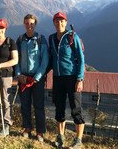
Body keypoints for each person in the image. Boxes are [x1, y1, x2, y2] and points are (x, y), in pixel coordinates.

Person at [49, 12, 85, 149]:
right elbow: (51, 59)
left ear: (66, 22)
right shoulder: (51, 38)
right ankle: (60, 137)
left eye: (62, 21)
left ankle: (78, 140)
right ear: (54, 23)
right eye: (57, 21)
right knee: (59, 108)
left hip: (72, 78)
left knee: (76, 109)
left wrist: (80, 78)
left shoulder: (72, 36)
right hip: (57, 78)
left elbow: (81, 59)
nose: (59, 23)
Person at [14, 14, 49, 142]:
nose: (29, 26)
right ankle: (27, 128)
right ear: (24, 24)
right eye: (27, 23)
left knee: (39, 105)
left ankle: (40, 131)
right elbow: (16, 59)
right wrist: (18, 74)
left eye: (32, 23)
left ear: (35, 24)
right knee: (25, 104)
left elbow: (45, 60)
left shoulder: (41, 39)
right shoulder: (20, 39)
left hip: (37, 79)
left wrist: (38, 76)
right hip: (23, 78)